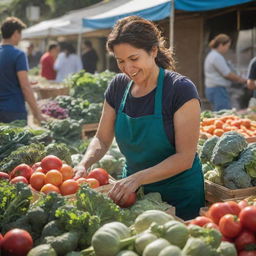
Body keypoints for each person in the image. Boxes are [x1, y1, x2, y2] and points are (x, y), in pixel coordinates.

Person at [74, 16, 205, 220]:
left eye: (134, 59)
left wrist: (138, 178)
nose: (128, 68)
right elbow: (101, 138)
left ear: (153, 51)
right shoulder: (118, 86)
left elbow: (185, 158)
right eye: (120, 61)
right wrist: (84, 163)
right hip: (133, 195)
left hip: (180, 195)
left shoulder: (180, 90)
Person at [0, 17, 45, 124]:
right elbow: (25, 87)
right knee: (17, 140)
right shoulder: (18, 54)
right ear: (16, 33)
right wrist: (37, 114)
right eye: (20, 34)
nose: (21, 37)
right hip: (13, 110)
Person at [204, 34, 247, 111]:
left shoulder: (213, 55)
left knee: (219, 113)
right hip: (218, 90)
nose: (227, 48)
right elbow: (227, 74)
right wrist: (243, 80)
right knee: (222, 114)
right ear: (221, 45)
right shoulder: (216, 57)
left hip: (214, 89)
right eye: (227, 46)